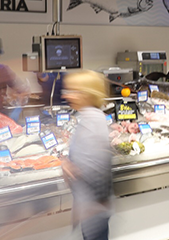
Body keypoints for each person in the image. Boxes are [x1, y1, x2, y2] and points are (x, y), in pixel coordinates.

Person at [60, 70, 113, 240]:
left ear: (88, 95)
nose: (68, 96)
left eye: (74, 91)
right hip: (91, 210)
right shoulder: (89, 117)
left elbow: (96, 169)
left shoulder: (92, 122)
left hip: (93, 212)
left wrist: (69, 167)